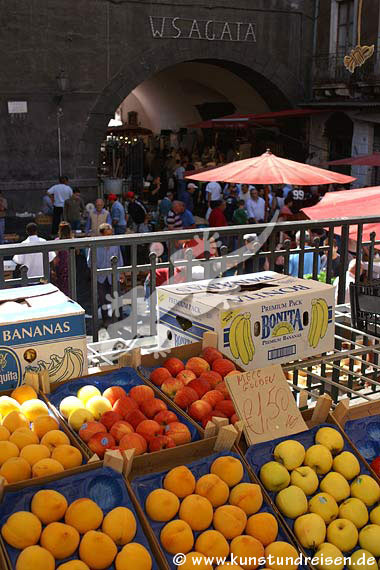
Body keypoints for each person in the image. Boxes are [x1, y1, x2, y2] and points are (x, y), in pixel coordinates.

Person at [87, 223, 124, 325]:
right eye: (107, 235)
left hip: (113, 275)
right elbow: (90, 262)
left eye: (110, 234)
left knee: (117, 298)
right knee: (103, 300)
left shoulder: (115, 244)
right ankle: (106, 321)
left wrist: (121, 273)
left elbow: (119, 259)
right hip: (101, 277)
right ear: (101, 235)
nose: (109, 237)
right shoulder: (95, 246)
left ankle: (119, 320)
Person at [52, 221, 72, 296]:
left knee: (61, 286)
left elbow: (55, 256)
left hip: (60, 266)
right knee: (69, 285)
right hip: (69, 264)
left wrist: (53, 269)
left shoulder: (57, 241)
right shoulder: (72, 240)